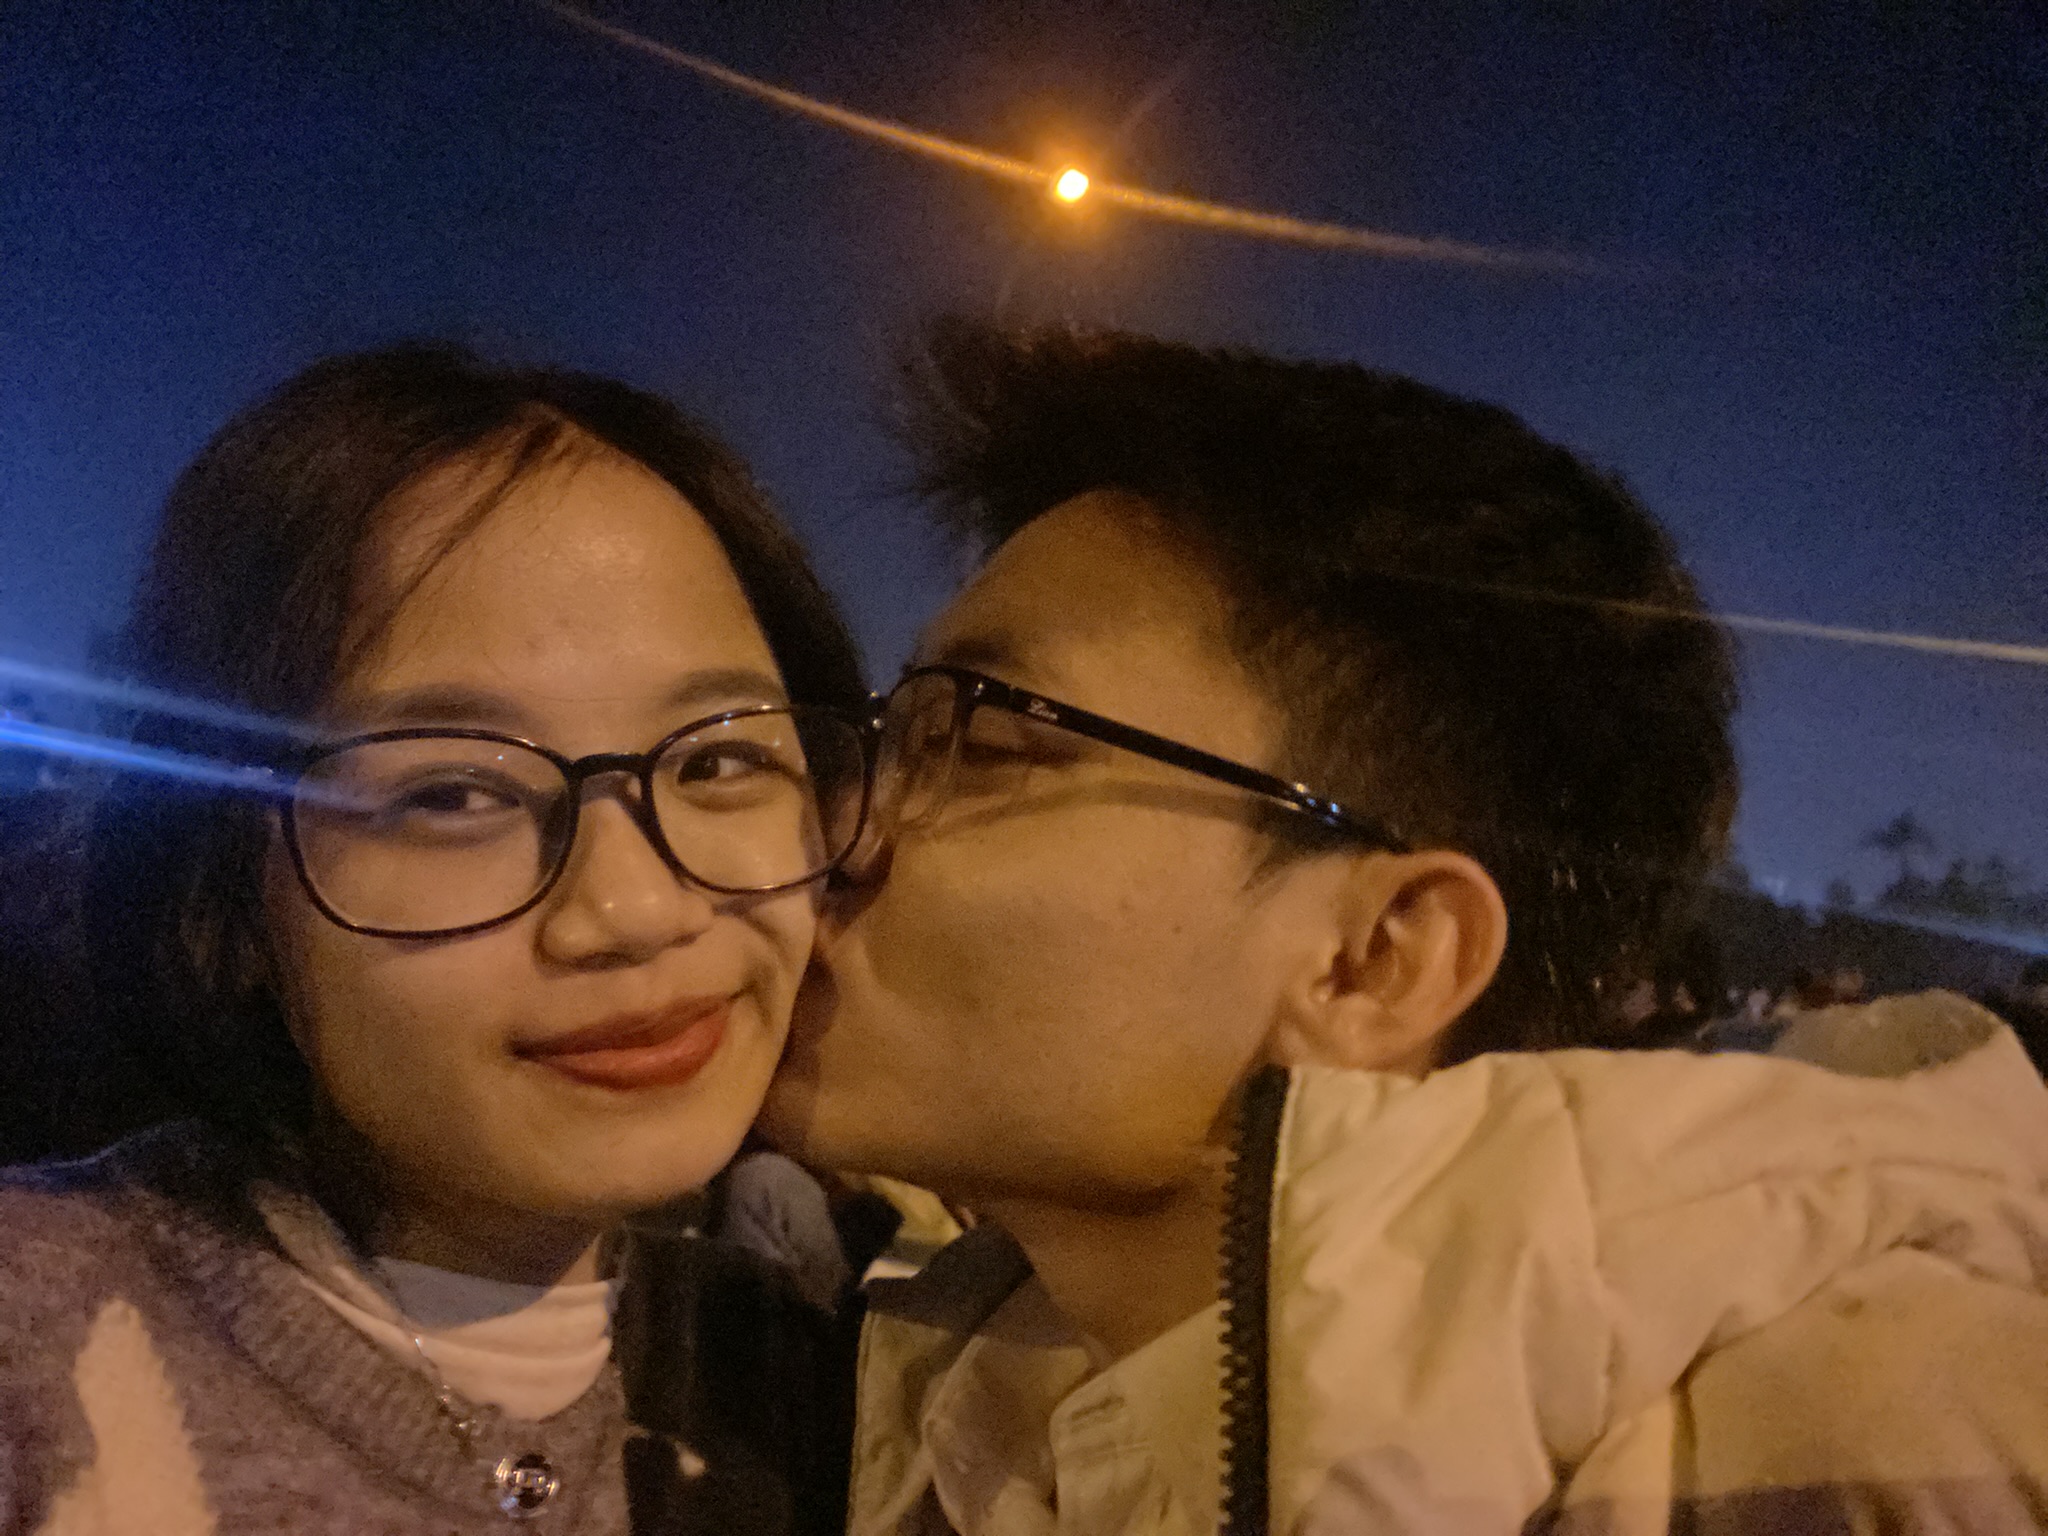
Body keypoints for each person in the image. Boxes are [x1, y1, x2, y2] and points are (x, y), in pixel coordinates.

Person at [760, 322, 2048, 1535]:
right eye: (887, 736)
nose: (830, 831)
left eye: (983, 743)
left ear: (1374, 960)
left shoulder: (1874, 1452)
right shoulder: (950, 1424)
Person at [0, 345, 871, 1534]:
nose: (635, 910)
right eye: (453, 794)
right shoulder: (38, 1346)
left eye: (717, 759)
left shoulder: (819, 1385)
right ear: (225, 899)